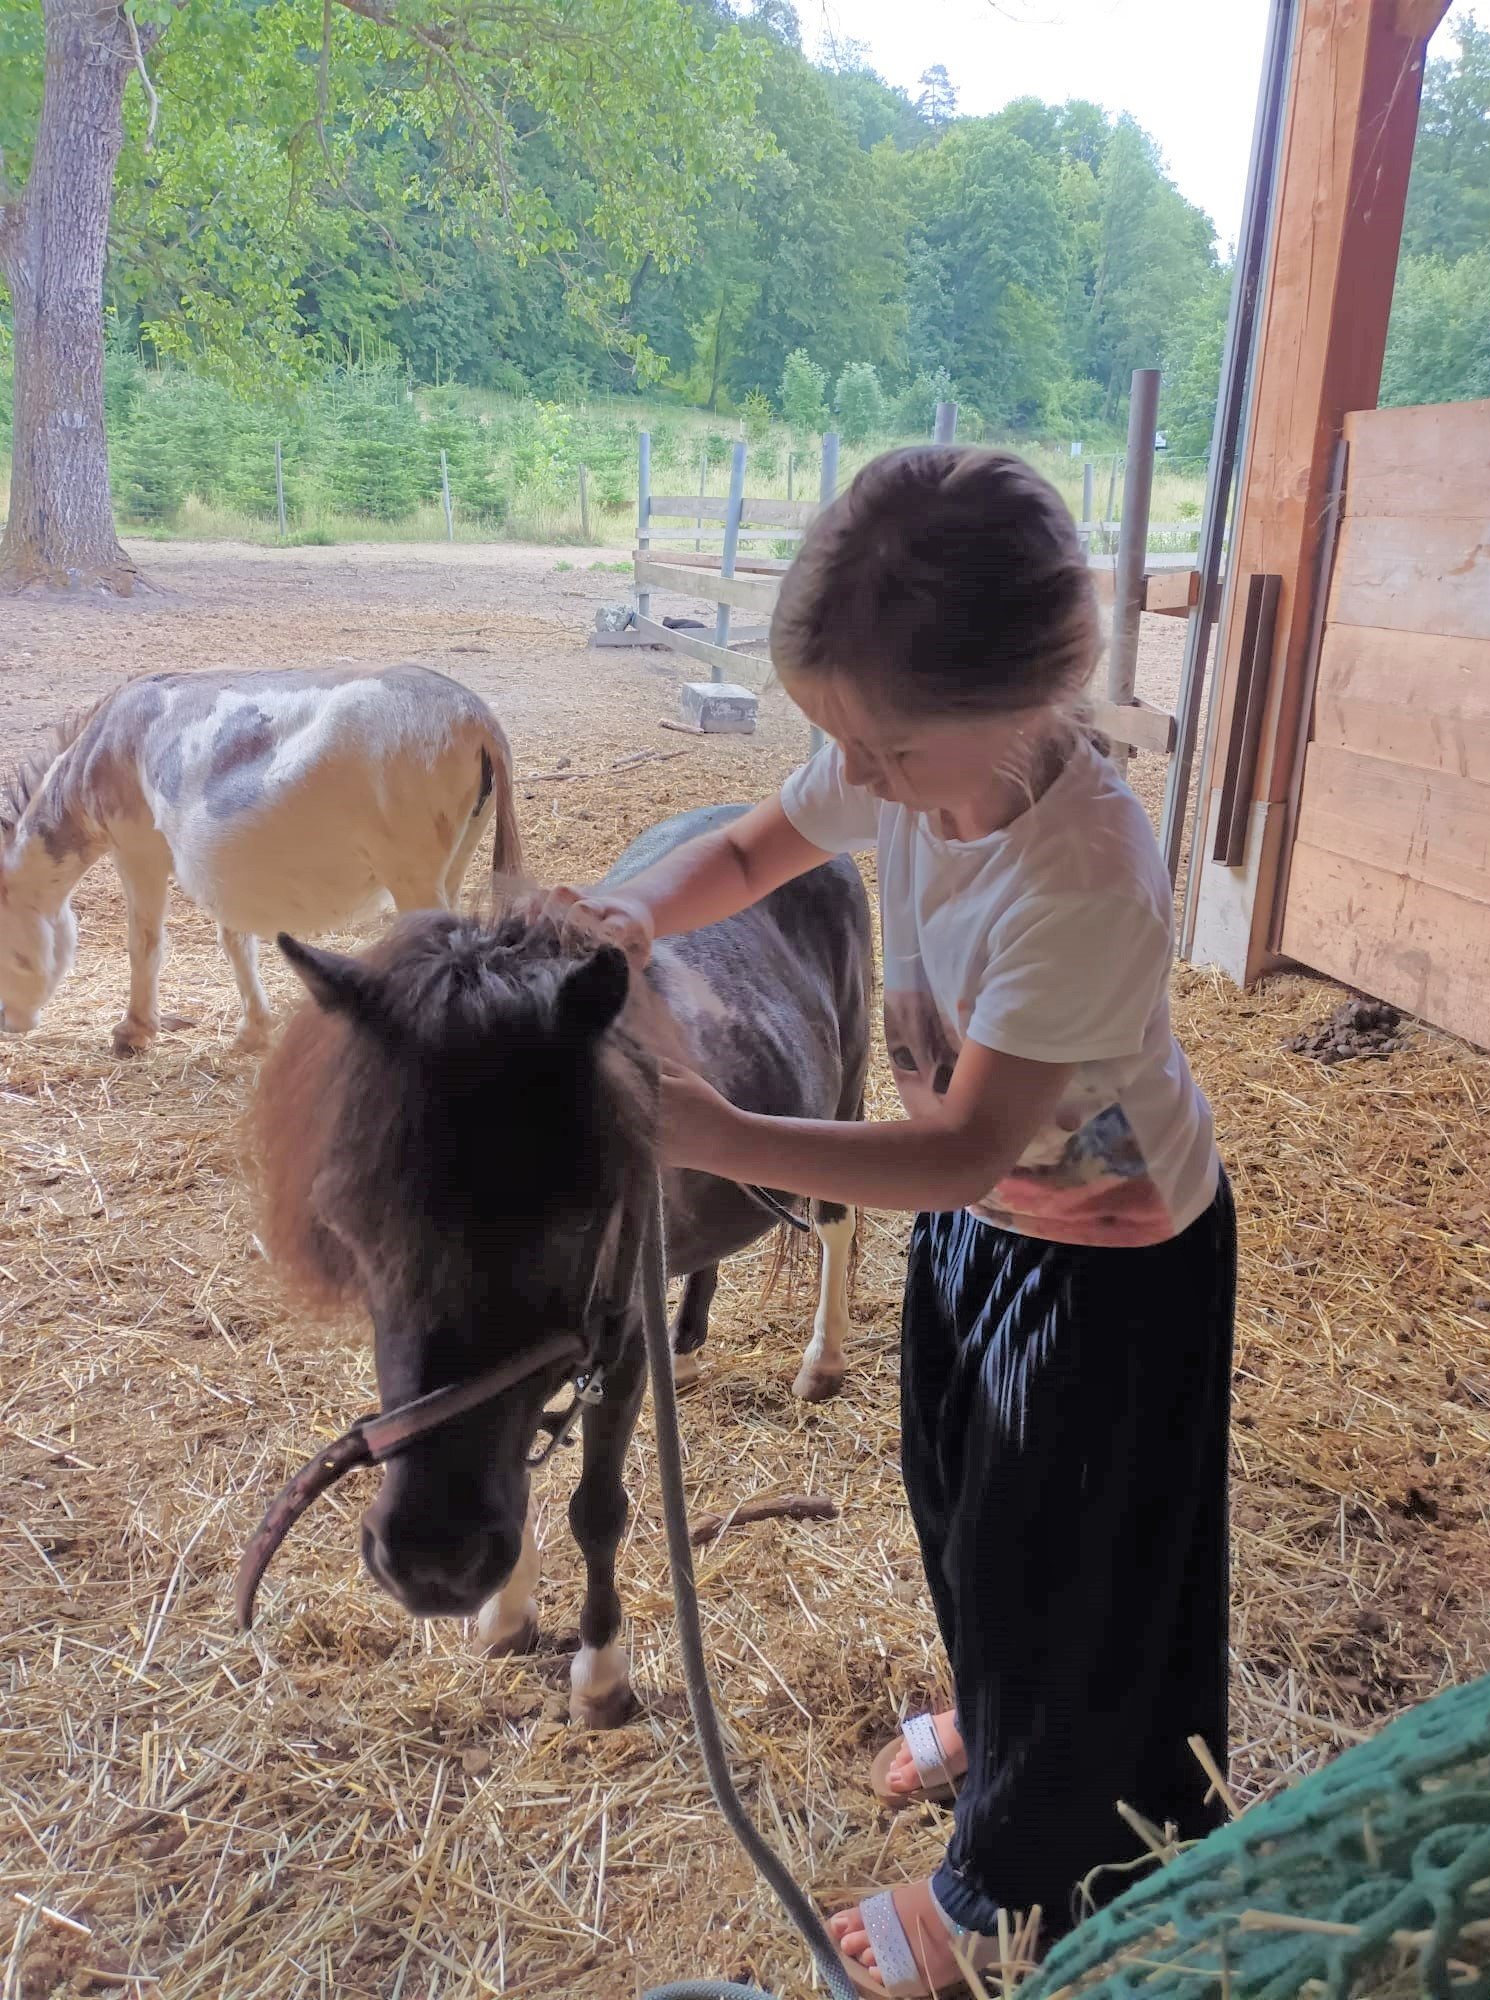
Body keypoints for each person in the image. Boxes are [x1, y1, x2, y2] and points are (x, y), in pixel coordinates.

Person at [553, 446, 1235, 1999]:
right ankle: (1004, 1729)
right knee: (957, 1502)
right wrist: (639, 909)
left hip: (1110, 1265)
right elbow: (750, 849)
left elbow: (960, 1142)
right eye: (839, 741)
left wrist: (720, 1135)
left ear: (1026, 699)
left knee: (1058, 1563)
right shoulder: (911, 762)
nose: (855, 776)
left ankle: (998, 1887)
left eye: (884, 748)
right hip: (988, 1227)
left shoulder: (1085, 876)